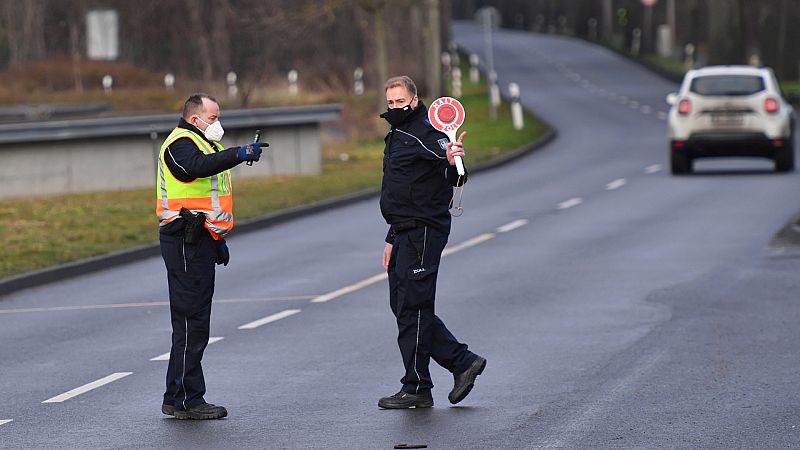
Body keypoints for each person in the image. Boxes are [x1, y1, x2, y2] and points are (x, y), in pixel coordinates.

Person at [156, 93, 267, 420]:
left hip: (199, 238)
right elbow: (192, 170)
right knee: (193, 321)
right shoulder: (180, 144)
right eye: (213, 117)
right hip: (184, 240)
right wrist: (239, 153)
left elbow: (207, 198)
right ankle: (190, 399)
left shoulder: (204, 144)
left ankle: (175, 396)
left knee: (190, 320)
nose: (218, 123)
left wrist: (215, 238)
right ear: (194, 118)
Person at [377, 76, 486, 409]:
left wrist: (455, 161)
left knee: (415, 307)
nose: (394, 107)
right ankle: (460, 363)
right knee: (404, 305)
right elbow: (403, 191)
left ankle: (416, 386)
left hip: (424, 231)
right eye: (390, 102)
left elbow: (455, 173)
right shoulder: (397, 134)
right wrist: (391, 237)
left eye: (400, 101)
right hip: (403, 232)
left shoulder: (428, 133)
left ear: (414, 99)